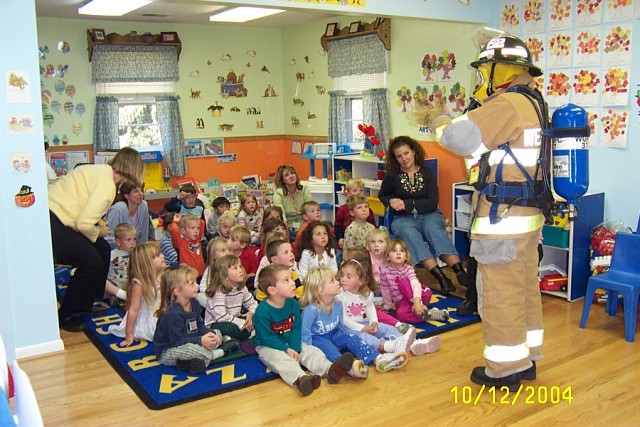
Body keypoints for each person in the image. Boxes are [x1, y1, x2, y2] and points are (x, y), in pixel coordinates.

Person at [431, 35, 548, 390]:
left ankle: (504, 369)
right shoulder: (534, 101)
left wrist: (438, 120)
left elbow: (460, 139)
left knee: (499, 295)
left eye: (485, 70)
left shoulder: (508, 104)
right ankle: (525, 359)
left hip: (503, 221)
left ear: (502, 70)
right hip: (527, 219)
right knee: (524, 288)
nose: (483, 78)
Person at [49, 147, 144, 332]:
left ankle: (87, 299)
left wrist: (97, 229)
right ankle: (67, 313)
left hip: (56, 216)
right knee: (91, 261)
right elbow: (84, 224)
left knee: (102, 249)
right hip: (55, 221)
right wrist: (98, 231)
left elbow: (82, 206)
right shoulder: (108, 185)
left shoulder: (99, 171)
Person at [378, 135, 467, 296]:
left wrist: (407, 204)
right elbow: (382, 196)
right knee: (409, 233)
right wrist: (391, 201)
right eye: (399, 156)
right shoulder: (392, 175)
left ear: (413, 151)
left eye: (406, 153)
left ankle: (460, 273)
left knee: (433, 230)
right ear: (395, 158)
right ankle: (440, 277)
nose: (404, 159)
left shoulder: (427, 173)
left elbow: (432, 202)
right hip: (403, 218)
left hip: (430, 214)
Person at [254, 264, 357, 396]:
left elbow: (296, 329)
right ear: (272, 290)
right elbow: (267, 338)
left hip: (289, 340)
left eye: (291, 279)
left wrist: (295, 348)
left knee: (311, 351)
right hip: (268, 345)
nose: (293, 283)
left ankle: (330, 370)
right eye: (286, 280)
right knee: (281, 360)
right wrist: (286, 350)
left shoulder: (292, 304)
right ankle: (301, 379)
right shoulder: (262, 312)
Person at [300, 267, 410, 374]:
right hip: (318, 339)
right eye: (332, 281)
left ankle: (379, 358)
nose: (338, 281)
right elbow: (305, 334)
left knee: (354, 339)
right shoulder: (311, 311)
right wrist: (312, 353)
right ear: (321, 291)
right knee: (330, 349)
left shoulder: (338, 304)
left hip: (335, 333)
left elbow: (340, 325)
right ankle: (349, 366)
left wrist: (348, 337)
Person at [338, 259, 440, 356]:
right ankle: (389, 346)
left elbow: (370, 309)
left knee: (385, 328)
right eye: (342, 275)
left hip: (362, 323)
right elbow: (344, 320)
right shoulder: (340, 296)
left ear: (360, 281)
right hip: (346, 328)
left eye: (348, 277)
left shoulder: (366, 294)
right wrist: (362, 328)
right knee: (364, 337)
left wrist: (374, 322)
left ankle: (413, 343)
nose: (343, 279)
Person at [153, 264, 239, 374]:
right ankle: (219, 352)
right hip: (169, 350)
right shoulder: (173, 314)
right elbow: (177, 341)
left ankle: (186, 363)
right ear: (177, 291)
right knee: (193, 350)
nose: (197, 286)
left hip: (192, 339)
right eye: (192, 284)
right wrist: (200, 340)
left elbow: (199, 325)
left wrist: (209, 333)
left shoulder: (194, 303)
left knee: (216, 332)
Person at [342, 246, 412, 334]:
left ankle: (398, 327)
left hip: (364, 315)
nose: (341, 264)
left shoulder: (362, 285)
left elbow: (370, 306)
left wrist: (373, 320)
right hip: (354, 321)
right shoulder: (343, 283)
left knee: (378, 319)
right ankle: (397, 326)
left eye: (345, 261)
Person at [108, 242, 166, 346]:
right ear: (146, 263)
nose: (162, 256)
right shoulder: (139, 284)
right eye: (157, 256)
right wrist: (129, 334)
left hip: (160, 311)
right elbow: (133, 310)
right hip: (148, 317)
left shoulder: (162, 275)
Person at [379, 240, 450, 324]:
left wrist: (417, 301)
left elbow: (415, 284)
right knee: (400, 315)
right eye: (394, 251)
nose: (398, 253)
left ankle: (420, 306)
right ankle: (429, 314)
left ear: (406, 257)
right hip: (402, 301)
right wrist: (388, 305)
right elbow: (385, 289)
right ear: (387, 257)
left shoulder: (408, 269)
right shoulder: (384, 271)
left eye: (402, 251)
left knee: (403, 283)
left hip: (419, 296)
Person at [203, 254, 258, 341]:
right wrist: (241, 323)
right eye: (235, 268)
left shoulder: (242, 288)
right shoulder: (219, 292)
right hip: (218, 324)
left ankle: (235, 336)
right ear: (224, 275)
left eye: (240, 266)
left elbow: (253, 303)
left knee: (260, 316)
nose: (241, 270)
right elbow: (220, 317)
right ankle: (249, 333)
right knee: (230, 329)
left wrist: (250, 315)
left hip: (234, 319)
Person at [104, 182, 150, 247]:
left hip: (132, 248)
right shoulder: (118, 209)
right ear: (127, 196)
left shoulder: (143, 205)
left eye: (141, 190)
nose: (140, 194)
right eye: (135, 191)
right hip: (114, 248)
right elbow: (110, 238)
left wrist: (141, 252)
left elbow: (144, 234)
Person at [273, 164, 313, 237]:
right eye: (286, 175)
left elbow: (311, 208)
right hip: (288, 227)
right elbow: (281, 216)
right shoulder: (278, 193)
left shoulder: (304, 189)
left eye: (292, 173)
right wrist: (286, 231)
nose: (291, 176)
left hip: (305, 224)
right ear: (282, 180)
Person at [335, 178, 376, 249]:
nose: (358, 193)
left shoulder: (368, 210)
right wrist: (340, 238)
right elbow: (338, 226)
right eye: (355, 190)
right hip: (347, 242)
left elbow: (373, 225)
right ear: (347, 193)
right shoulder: (342, 210)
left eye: (361, 190)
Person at [104, 223, 137, 303]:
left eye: (134, 239)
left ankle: (124, 296)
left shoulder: (135, 254)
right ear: (118, 242)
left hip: (129, 281)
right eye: (129, 240)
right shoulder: (112, 254)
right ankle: (116, 295)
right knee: (105, 283)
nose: (132, 243)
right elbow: (104, 269)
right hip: (115, 282)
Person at [196, 237, 232, 307]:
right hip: (213, 296)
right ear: (214, 255)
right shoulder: (210, 269)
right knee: (199, 296)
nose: (228, 253)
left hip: (228, 295)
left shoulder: (232, 267)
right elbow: (203, 288)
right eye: (223, 250)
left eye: (229, 250)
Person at [169, 213, 206, 278]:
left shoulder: (198, 239)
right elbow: (173, 230)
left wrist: (188, 216)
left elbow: (202, 222)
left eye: (198, 228)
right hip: (187, 276)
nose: (196, 231)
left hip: (200, 274)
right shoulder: (181, 242)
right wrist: (175, 221)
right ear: (183, 231)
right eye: (193, 228)